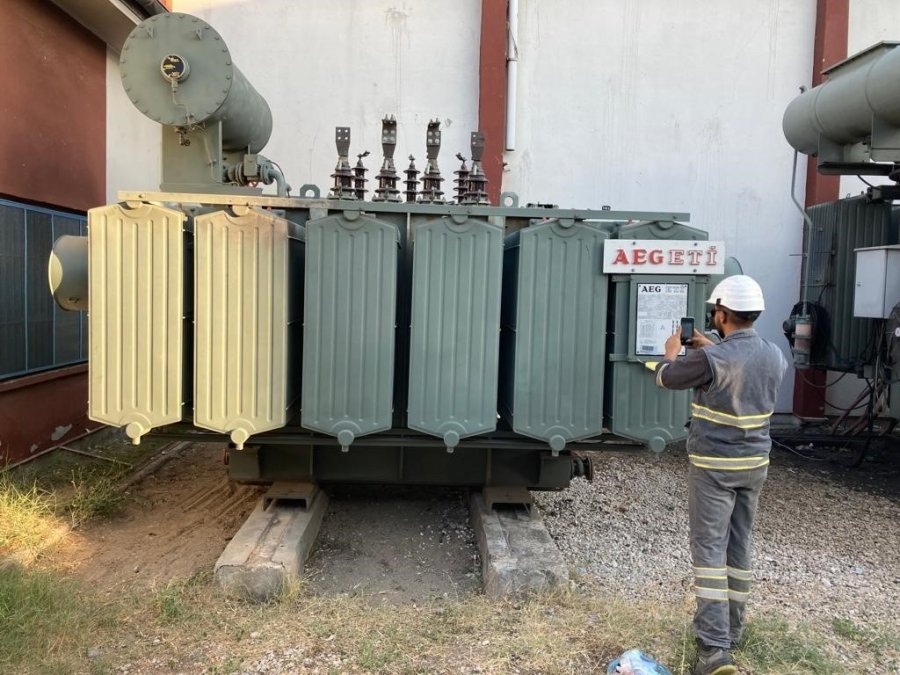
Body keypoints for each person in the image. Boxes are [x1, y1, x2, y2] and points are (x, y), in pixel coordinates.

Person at [653, 275, 788, 675]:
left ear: (723, 313)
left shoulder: (711, 359)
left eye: (715, 311)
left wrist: (672, 351)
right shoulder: (774, 355)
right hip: (754, 466)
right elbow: (738, 367)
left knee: (709, 551)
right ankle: (733, 631)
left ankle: (713, 651)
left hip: (714, 468)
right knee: (739, 547)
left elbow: (665, 377)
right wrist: (710, 348)